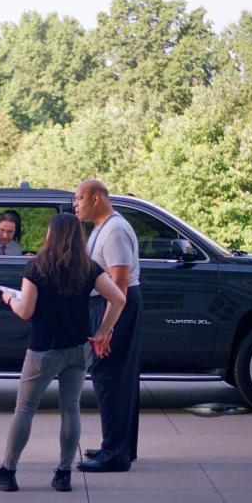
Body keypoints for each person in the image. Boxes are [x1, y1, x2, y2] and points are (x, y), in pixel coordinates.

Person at [0, 213, 125, 493]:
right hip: (77, 348)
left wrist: (10, 298)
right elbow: (118, 299)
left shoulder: (37, 266)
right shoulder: (89, 267)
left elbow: (26, 311)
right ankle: (63, 473)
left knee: (25, 409)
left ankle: (7, 472)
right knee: (71, 408)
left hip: (43, 349)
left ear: (51, 235)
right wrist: (102, 332)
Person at [74, 179, 143, 473]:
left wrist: (106, 329)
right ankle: (119, 444)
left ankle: (115, 453)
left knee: (109, 375)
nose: (74, 204)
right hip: (109, 304)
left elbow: (120, 282)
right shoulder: (101, 229)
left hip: (115, 306)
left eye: (78, 198)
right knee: (119, 376)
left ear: (96, 199)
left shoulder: (114, 230)